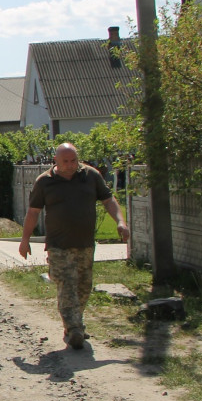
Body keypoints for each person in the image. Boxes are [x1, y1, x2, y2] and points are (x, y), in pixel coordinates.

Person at [19, 143, 130, 350]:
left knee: (83, 287)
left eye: (73, 161)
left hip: (85, 243)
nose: (70, 166)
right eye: (65, 162)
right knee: (67, 285)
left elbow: (108, 200)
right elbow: (33, 212)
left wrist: (120, 222)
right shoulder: (45, 182)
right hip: (58, 245)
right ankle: (74, 329)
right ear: (56, 162)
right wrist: (25, 240)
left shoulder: (91, 176)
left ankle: (75, 322)